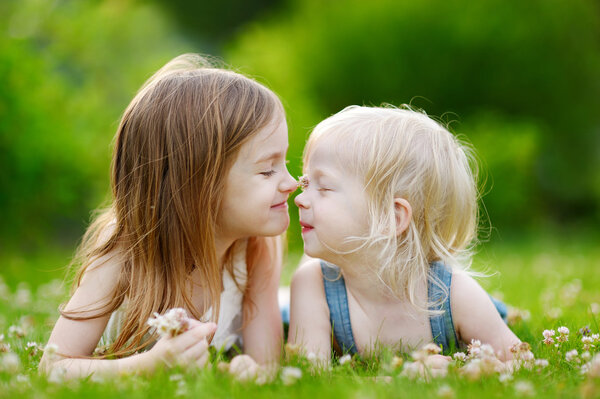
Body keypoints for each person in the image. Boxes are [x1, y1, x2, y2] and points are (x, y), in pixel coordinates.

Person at [40, 54, 297, 378]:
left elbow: (267, 364)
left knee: (299, 302)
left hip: (280, 303)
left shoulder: (259, 247)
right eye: (267, 170)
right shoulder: (124, 252)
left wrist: (248, 370)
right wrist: (147, 366)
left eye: (285, 162)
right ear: (199, 183)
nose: (291, 182)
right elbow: (53, 367)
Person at [289, 105, 520, 365]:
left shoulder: (453, 294)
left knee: (496, 315)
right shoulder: (313, 286)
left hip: (465, 304)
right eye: (306, 183)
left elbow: (520, 360)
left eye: (324, 187)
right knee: (282, 308)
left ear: (392, 217)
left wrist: (470, 370)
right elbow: (311, 375)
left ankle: (503, 312)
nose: (299, 199)